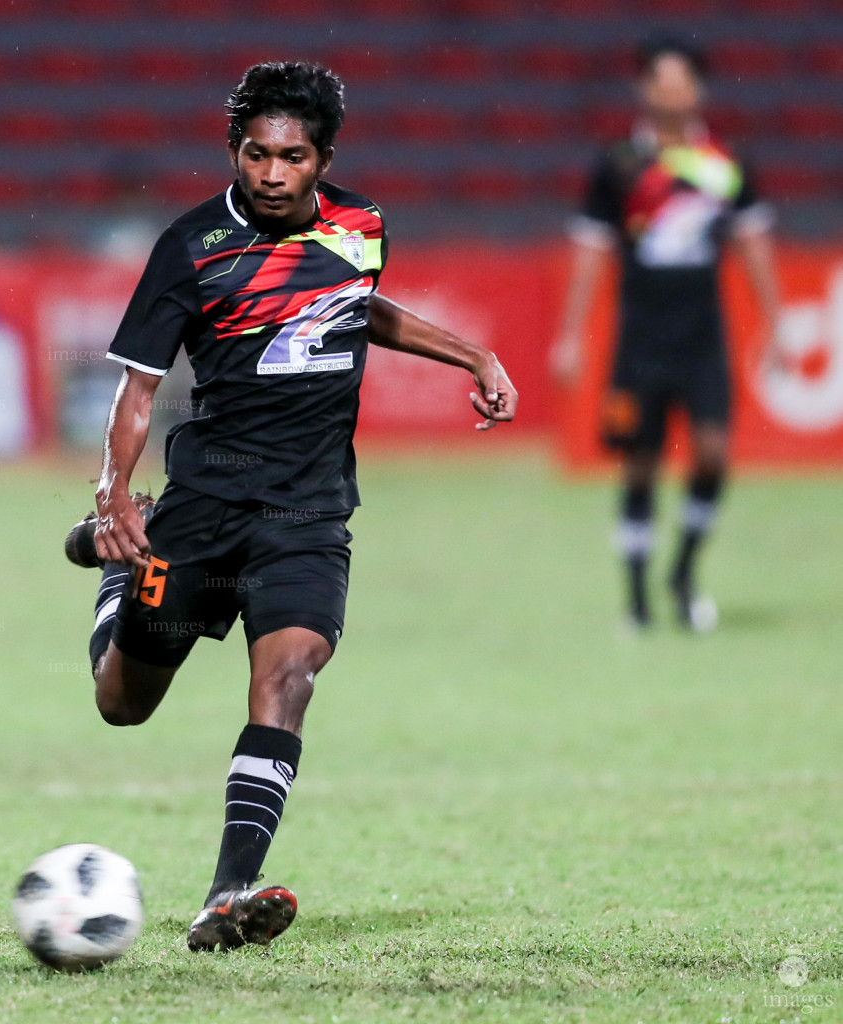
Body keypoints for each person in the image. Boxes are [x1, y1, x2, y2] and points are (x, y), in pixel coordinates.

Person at [63, 62, 517, 951]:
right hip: (204, 504)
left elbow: (358, 308)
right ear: (234, 153)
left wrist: (471, 354)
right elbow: (138, 391)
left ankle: (230, 889)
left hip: (308, 511)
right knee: (122, 703)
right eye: (257, 155)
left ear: (323, 160)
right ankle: (116, 574)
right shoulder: (190, 248)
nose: (272, 174)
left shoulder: (363, 226)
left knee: (289, 675)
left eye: (292, 157)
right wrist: (115, 495)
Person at [551, 35, 780, 631]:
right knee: (639, 467)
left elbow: (754, 245)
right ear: (644, 88)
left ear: (698, 90)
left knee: (711, 454)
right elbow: (592, 252)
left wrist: (777, 324)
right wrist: (571, 335)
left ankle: (682, 572)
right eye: (662, 80)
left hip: (704, 340)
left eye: (683, 80)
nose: (673, 91)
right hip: (640, 345)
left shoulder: (726, 163)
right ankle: (636, 598)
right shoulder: (619, 164)